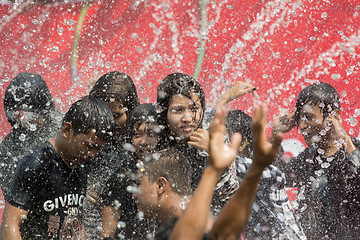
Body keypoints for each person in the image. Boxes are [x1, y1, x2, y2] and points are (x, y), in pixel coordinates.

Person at [0, 96, 115, 240]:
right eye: (89, 145)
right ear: (67, 130)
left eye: (98, 148)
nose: (92, 154)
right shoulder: (36, 163)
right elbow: (10, 223)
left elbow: (76, 219)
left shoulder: (81, 163)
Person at [272, 82, 360, 239]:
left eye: (309, 117)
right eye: (299, 117)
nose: (302, 125)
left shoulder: (354, 150)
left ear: (334, 116)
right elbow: (275, 174)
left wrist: (343, 137)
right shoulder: (309, 158)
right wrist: (276, 135)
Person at [156, 73, 240, 214]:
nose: (188, 118)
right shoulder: (153, 141)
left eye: (194, 109)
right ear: (164, 113)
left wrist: (214, 156)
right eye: (179, 110)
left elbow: (232, 197)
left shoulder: (214, 140)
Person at [83, 71, 140, 239]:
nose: (109, 124)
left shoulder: (144, 137)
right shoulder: (91, 137)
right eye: (104, 114)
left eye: (116, 115)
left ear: (132, 110)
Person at [99, 103, 161, 239]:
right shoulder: (121, 178)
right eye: (137, 135)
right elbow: (106, 234)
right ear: (130, 138)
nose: (144, 142)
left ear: (161, 137)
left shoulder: (171, 171)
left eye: (151, 134)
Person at [0, 72, 61, 199]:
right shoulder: (9, 149)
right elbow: (14, 199)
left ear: (45, 112)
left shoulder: (64, 130)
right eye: (17, 118)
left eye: (30, 118)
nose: (24, 124)